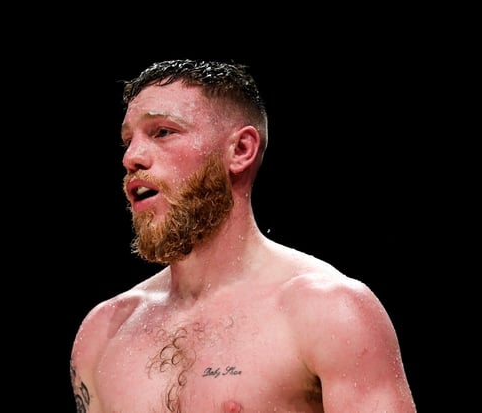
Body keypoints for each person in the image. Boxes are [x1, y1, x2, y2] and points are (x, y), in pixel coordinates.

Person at [69, 59, 416, 412]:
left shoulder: (328, 311)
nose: (132, 157)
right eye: (128, 140)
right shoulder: (104, 332)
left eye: (162, 132)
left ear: (240, 150)